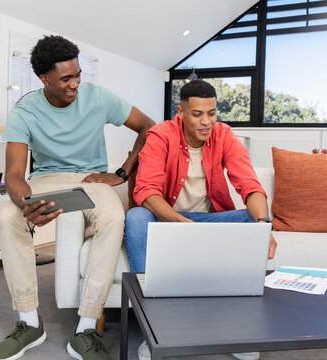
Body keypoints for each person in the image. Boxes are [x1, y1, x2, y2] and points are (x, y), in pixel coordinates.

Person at [0, 35, 155, 360]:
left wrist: (121, 172)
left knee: (113, 217)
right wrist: (26, 204)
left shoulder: (99, 97)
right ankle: (29, 322)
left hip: (92, 178)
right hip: (46, 179)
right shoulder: (24, 111)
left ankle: (86, 328)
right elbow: (13, 174)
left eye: (78, 74)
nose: (75, 83)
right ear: (44, 78)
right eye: (66, 78)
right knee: (8, 218)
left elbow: (149, 127)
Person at [124, 80, 276, 360]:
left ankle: (238, 329)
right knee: (135, 217)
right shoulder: (160, 135)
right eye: (197, 114)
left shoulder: (224, 135)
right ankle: (156, 328)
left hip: (208, 221)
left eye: (212, 113)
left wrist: (263, 227)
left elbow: (250, 186)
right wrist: (181, 225)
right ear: (180, 112)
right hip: (166, 220)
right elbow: (146, 191)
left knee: (249, 220)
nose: (206, 122)